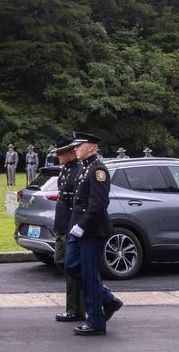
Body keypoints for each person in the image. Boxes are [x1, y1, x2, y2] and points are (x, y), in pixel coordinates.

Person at [64, 131, 124, 336]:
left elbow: (98, 203)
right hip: (79, 228)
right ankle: (107, 299)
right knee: (71, 265)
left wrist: (83, 226)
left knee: (90, 276)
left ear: (91, 147)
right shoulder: (85, 168)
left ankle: (96, 322)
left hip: (91, 230)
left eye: (78, 146)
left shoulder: (98, 169)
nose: (75, 149)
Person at [51, 134, 85, 324]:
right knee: (63, 263)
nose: (58, 156)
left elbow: (77, 204)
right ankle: (91, 300)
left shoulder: (78, 170)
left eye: (60, 152)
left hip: (71, 226)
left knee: (71, 267)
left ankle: (75, 308)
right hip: (62, 225)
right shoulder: (66, 170)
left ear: (70, 152)